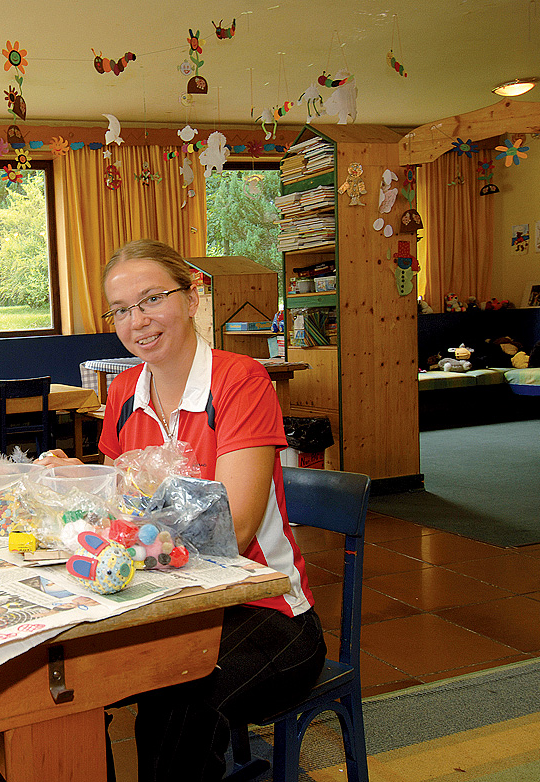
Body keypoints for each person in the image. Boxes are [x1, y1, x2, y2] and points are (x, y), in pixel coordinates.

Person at [40, 239, 326, 781]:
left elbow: (234, 530)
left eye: (152, 299)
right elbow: (117, 509)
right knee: (65, 679)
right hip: (164, 605)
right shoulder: (124, 391)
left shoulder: (240, 380)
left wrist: (131, 521)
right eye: (121, 309)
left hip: (265, 610)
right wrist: (81, 482)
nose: (137, 321)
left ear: (192, 298)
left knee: (177, 695)